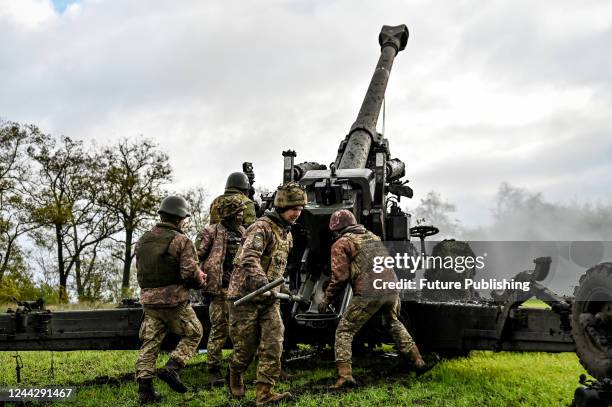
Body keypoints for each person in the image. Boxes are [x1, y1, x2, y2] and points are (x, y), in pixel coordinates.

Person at [318, 209, 432, 389]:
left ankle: (345, 376)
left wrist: (326, 299)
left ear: (336, 228)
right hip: (392, 290)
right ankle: (418, 361)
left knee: (344, 331)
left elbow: (340, 277)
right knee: (393, 322)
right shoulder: (373, 237)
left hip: (369, 293)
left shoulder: (342, 243)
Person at [226, 182, 306, 405]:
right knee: (246, 349)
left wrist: (284, 289)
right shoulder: (261, 228)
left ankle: (265, 393)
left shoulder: (287, 234)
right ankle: (235, 371)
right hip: (245, 298)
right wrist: (265, 285)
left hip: (269, 300)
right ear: (282, 206)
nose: (297, 214)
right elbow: (249, 259)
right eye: (294, 209)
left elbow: (278, 267)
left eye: (300, 210)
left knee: (274, 342)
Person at [134, 195, 206, 403]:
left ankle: (145, 391)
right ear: (178, 218)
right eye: (184, 218)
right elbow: (189, 275)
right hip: (174, 302)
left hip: (149, 302)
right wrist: (200, 280)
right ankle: (172, 368)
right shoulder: (181, 241)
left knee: (150, 343)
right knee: (195, 333)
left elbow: (141, 270)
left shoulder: (143, 239)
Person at [196, 195, 247, 386]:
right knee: (219, 329)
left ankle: (236, 369)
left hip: (239, 291)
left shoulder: (244, 232)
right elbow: (195, 258)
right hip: (218, 290)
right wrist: (200, 280)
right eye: (239, 212)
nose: (241, 216)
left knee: (241, 330)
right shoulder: (210, 232)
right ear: (231, 214)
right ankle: (213, 369)